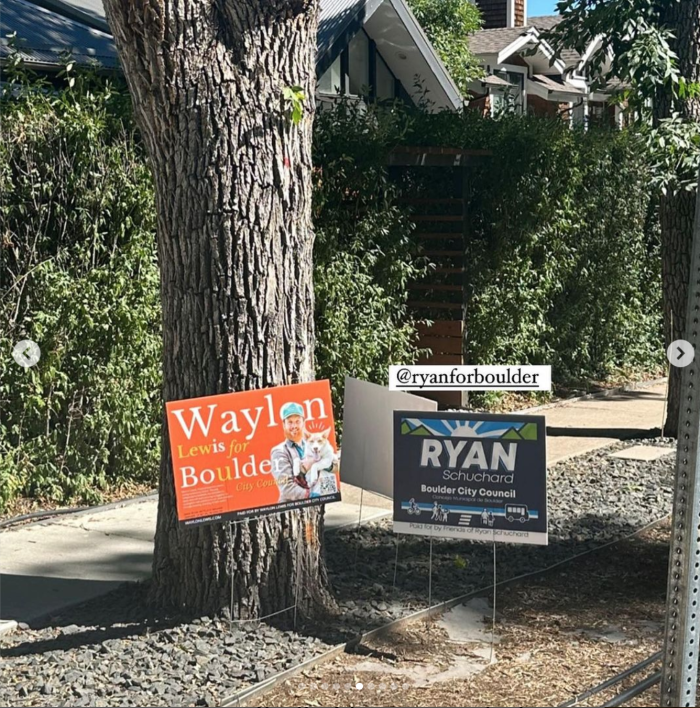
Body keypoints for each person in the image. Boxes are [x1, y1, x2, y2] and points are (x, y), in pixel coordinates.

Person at [270, 402, 319, 503]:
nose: (294, 426)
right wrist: (311, 495)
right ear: (284, 424)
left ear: (303, 422)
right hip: (290, 508)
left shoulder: (313, 445)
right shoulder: (279, 452)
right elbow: (286, 488)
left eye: (297, 421)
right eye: (290, 422)